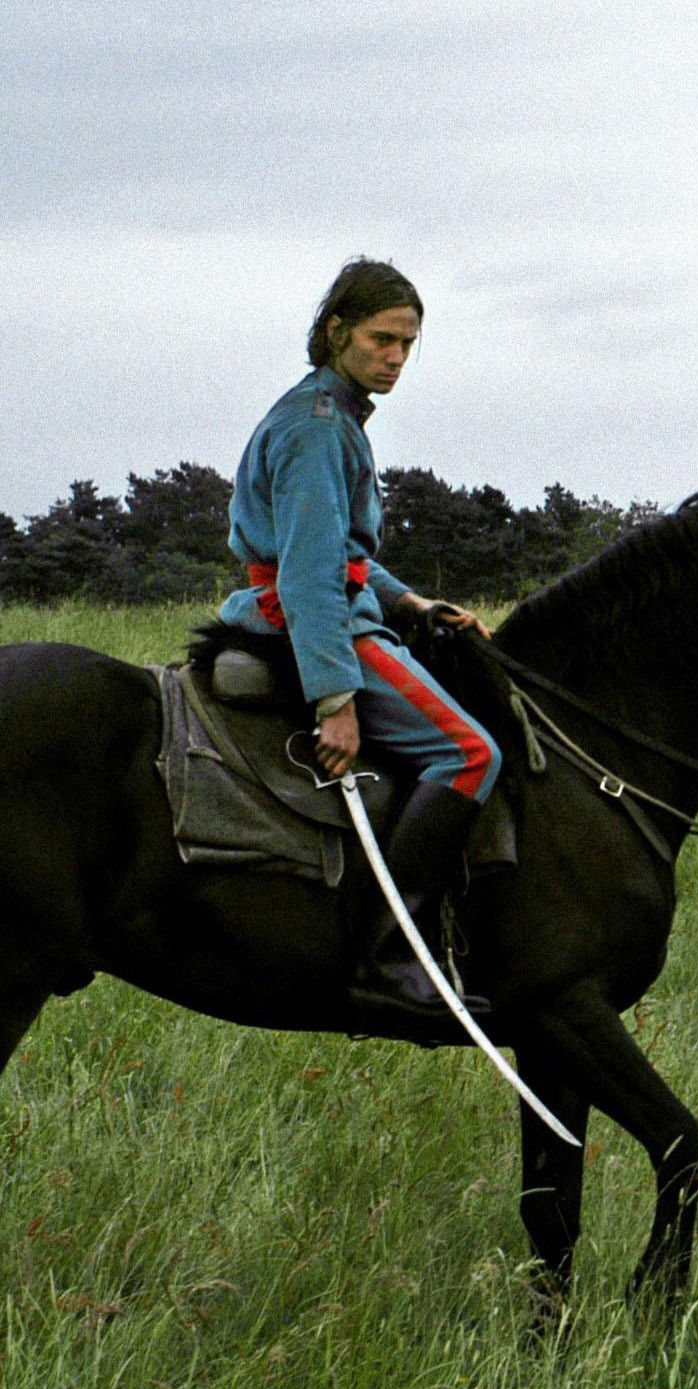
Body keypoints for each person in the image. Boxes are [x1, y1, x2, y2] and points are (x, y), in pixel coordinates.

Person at [217, 257, 501, 1030]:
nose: (397, 358)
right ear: (337, 331)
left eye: (409, 344)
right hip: (307, 618)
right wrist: (335, 699)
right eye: (383, 339)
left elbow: (343, 552)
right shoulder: (316, 430)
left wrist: (410, 601)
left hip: (336, 602)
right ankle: (384, 952)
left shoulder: (332, 416)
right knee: (473, 753)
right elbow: (310, 573)